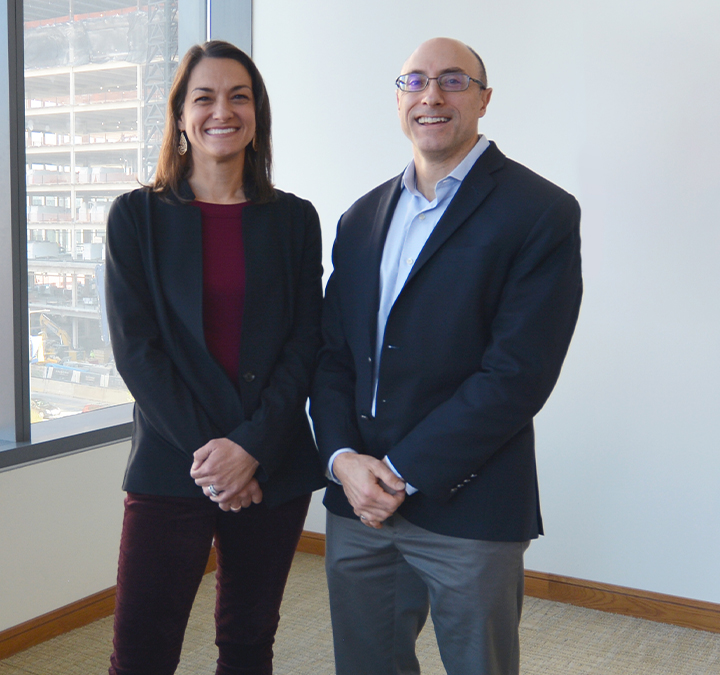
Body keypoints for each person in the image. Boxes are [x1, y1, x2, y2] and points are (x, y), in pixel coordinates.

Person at [311, 37, 583, 675]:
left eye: (453, 80)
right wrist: (344, 459)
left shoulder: (539, 211)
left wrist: (401, 471)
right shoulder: (361, 219)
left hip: (472, 502)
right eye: (415, 82)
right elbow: (332, 356)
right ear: (399, 100)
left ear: (484, 100)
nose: (431, 95)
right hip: (358, 503)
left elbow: (518, 373)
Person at [104, 40, 324, 675]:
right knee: (141, 652)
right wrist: (217, 457)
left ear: (257, 114)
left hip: (272, 465)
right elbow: (136, 352)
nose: (221, 111)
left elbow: (306, 341)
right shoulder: (136, 217)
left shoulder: (295, 220)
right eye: (204, 97)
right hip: (174, 462)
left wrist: (250, 447)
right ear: (180, 116)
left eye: (239, 96)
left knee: (249, 645)